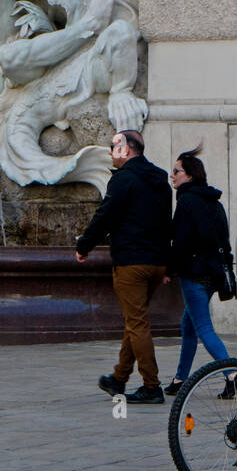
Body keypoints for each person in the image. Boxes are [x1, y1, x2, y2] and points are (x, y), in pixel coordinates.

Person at [75, 130, 172, 404]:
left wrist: (84, 245)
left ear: (127, 149)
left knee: (137, 323)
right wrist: (167, 265)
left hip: (131, 262)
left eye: (114, 147)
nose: (110, 152)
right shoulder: (160, 180)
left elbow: (105, 216)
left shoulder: (123, 180)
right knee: (136, 320)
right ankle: (118, 378)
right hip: (155, 263)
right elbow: (168, 224)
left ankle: (152, 387)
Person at [164, 145, 237, 400]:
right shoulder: (214, 202)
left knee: (204, 328)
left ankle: (232, 375)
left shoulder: (187, 202)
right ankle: (180, 379)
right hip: (213, 275)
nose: (172, 175)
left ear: (189, 175)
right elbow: (224, 241)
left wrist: (169, 269)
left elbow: (182, 244)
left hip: (194, 275)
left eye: (176, 171)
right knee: (188, 324)